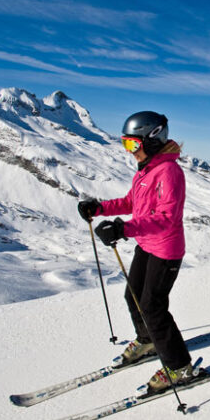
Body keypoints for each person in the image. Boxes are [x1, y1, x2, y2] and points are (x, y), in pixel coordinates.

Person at [77, 111, 193, 393]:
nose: (129, 152)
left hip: (166, 249)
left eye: (132, 145)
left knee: (153, 306)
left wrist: (122, 230)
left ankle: (180, 368)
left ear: (151, 140)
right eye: (125, 144)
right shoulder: (147, 170)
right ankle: (148, 341)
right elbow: (132, 202)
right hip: (146, 244)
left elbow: (166, 218)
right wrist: (100, 208)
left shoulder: (169, 172)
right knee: (133, 296)